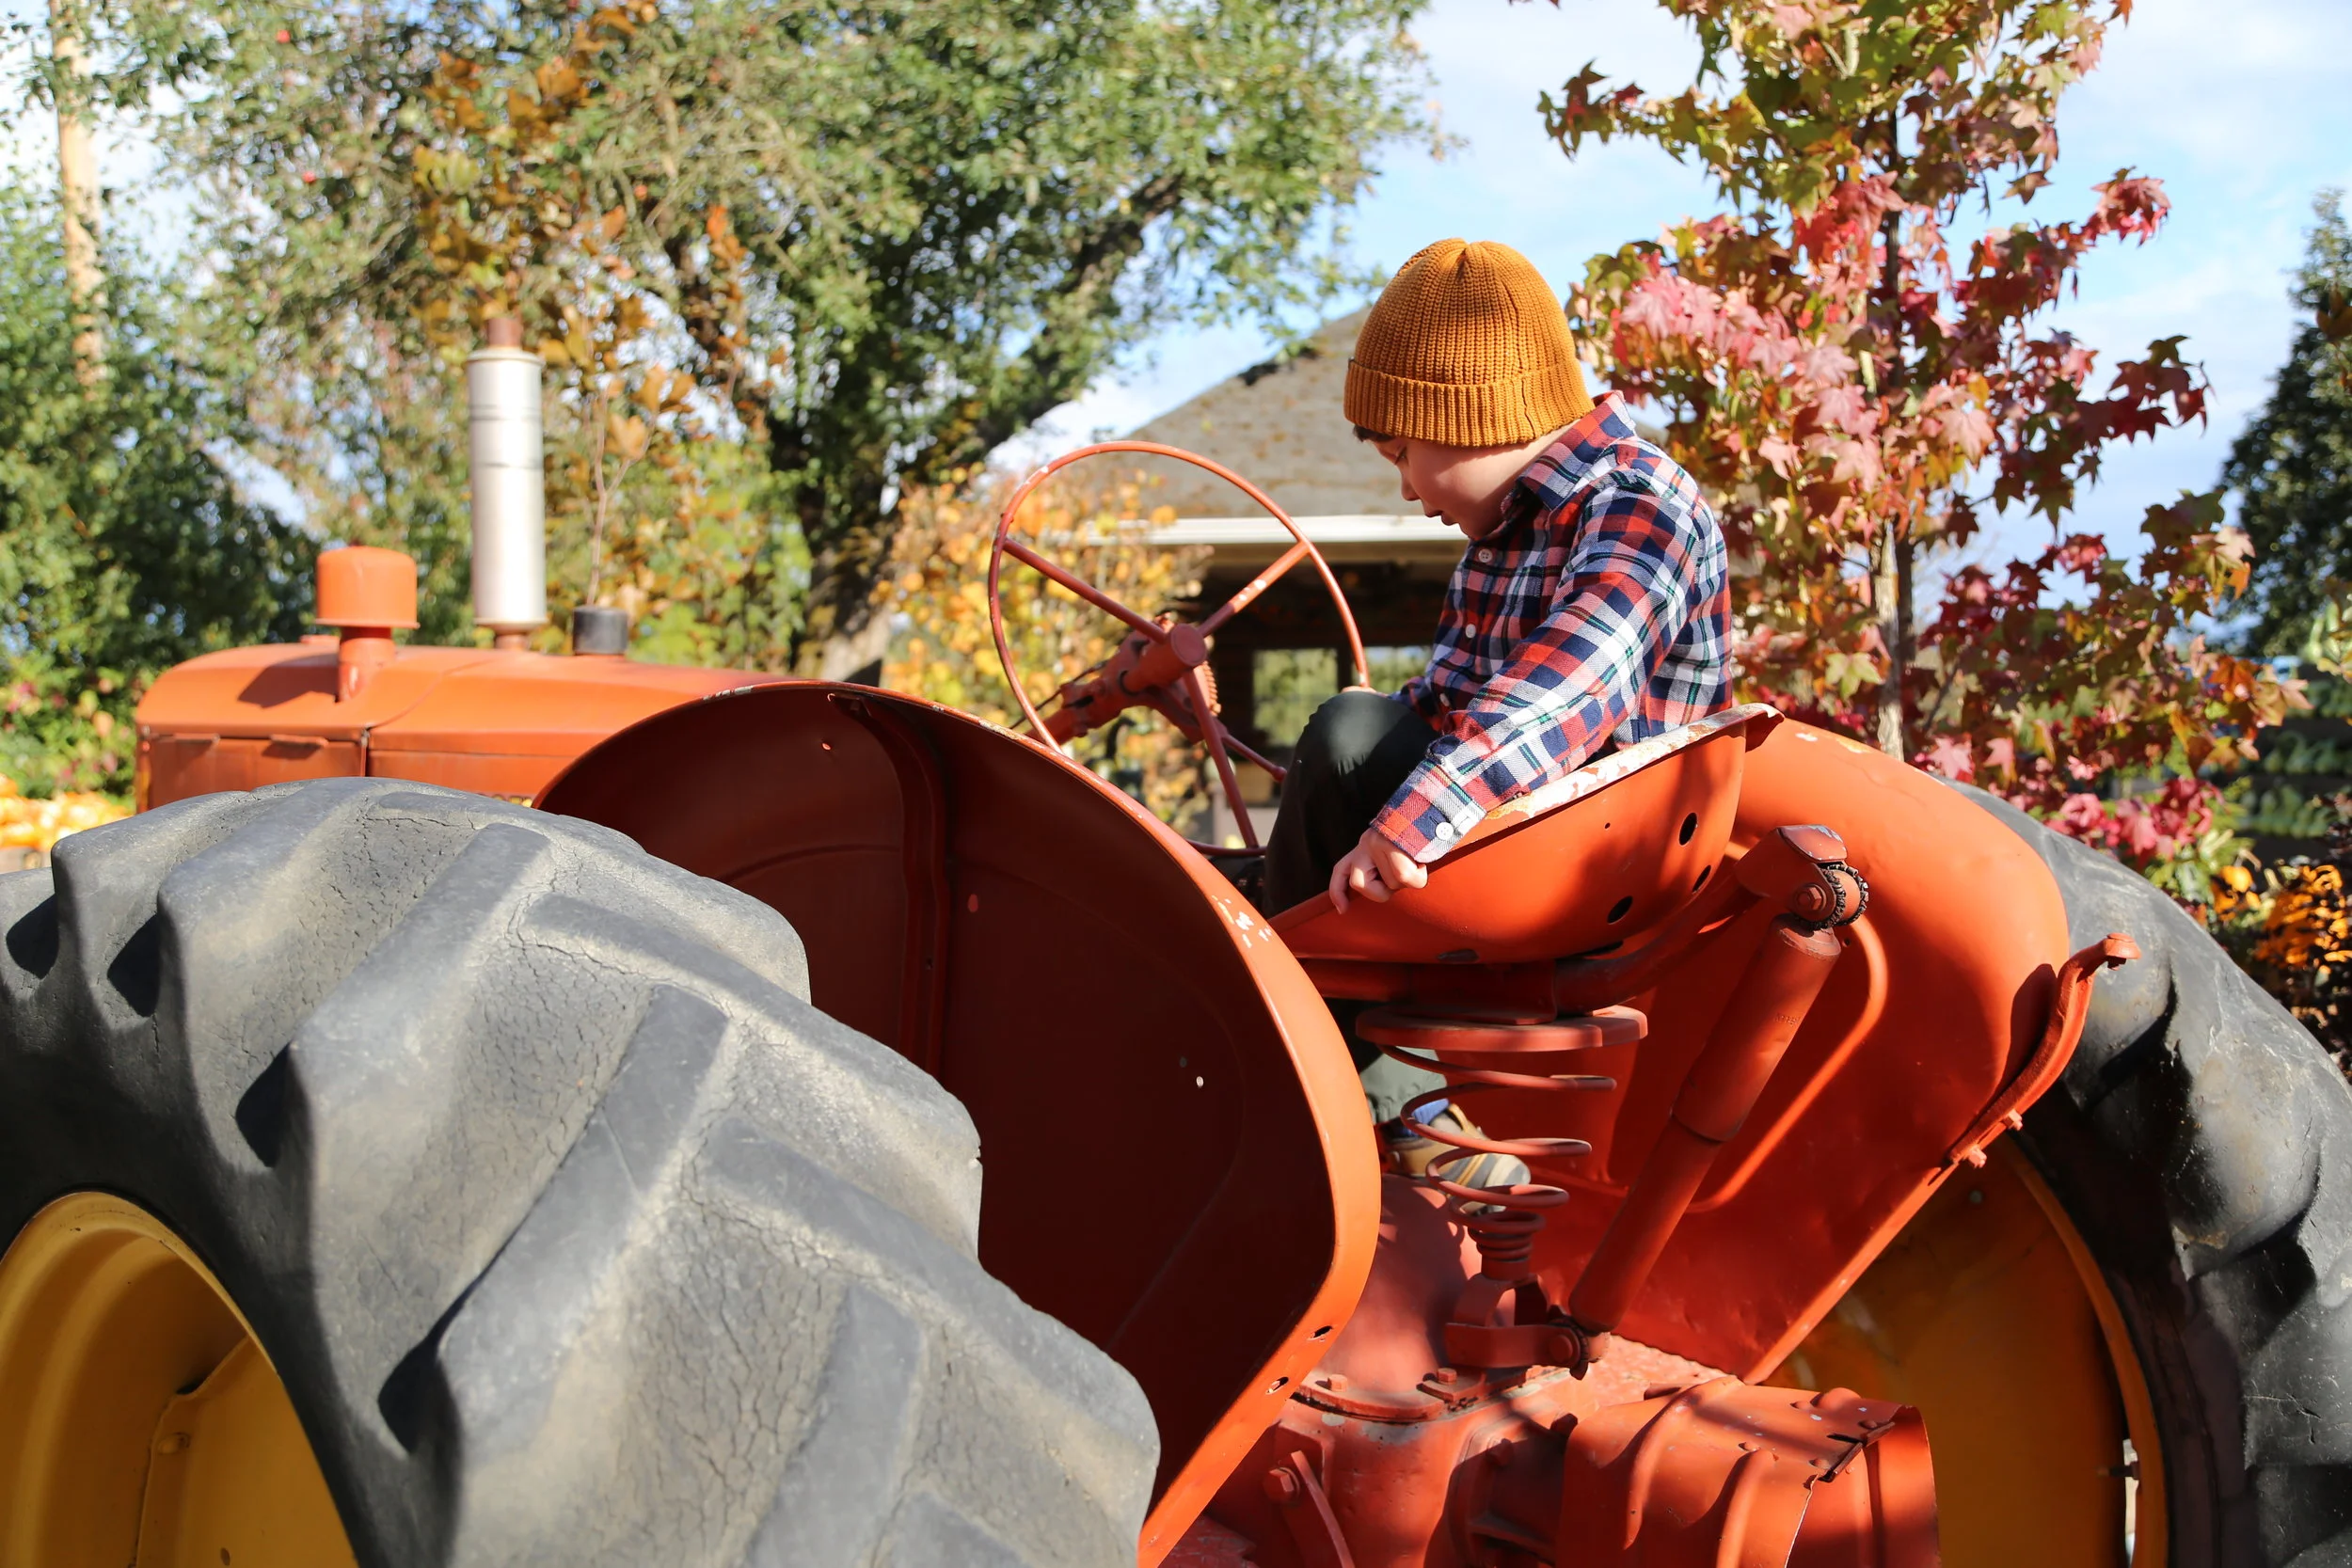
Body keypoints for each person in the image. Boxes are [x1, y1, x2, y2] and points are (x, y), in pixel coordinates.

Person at [1261, 237, 1732, 1170]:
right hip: (1511, 834)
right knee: (1345, 743)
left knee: (1350, 734)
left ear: (1470, 417)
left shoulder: (1636, 499)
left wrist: (1404, 818)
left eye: (1403, 452)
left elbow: (1567, 688)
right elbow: (1445, 700)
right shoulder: (1506, 534)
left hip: (1585, 852)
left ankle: (1376, 1101)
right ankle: (1289, 1008)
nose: (1404, 487)